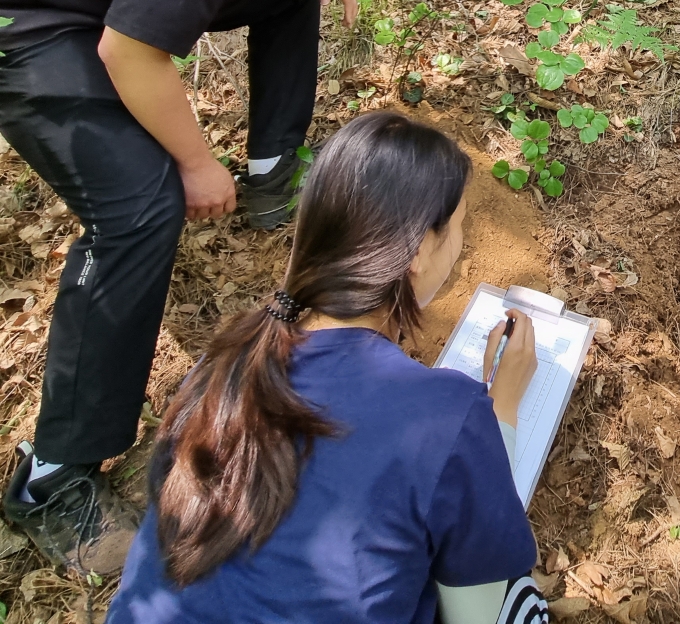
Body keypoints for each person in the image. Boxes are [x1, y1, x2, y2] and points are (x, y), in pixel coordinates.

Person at [0, 0, 435, 573]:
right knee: (139, 208)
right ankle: (49, 478)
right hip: (27, 10)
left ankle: (271, 176)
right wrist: (197, 164)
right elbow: (131, 52)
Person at [105, 110, 549, 624]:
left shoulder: (220, 363)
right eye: (459, 228)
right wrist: (505, 408)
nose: (460, 245)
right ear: (420, 249)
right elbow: (476, 612)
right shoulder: (446, 413)